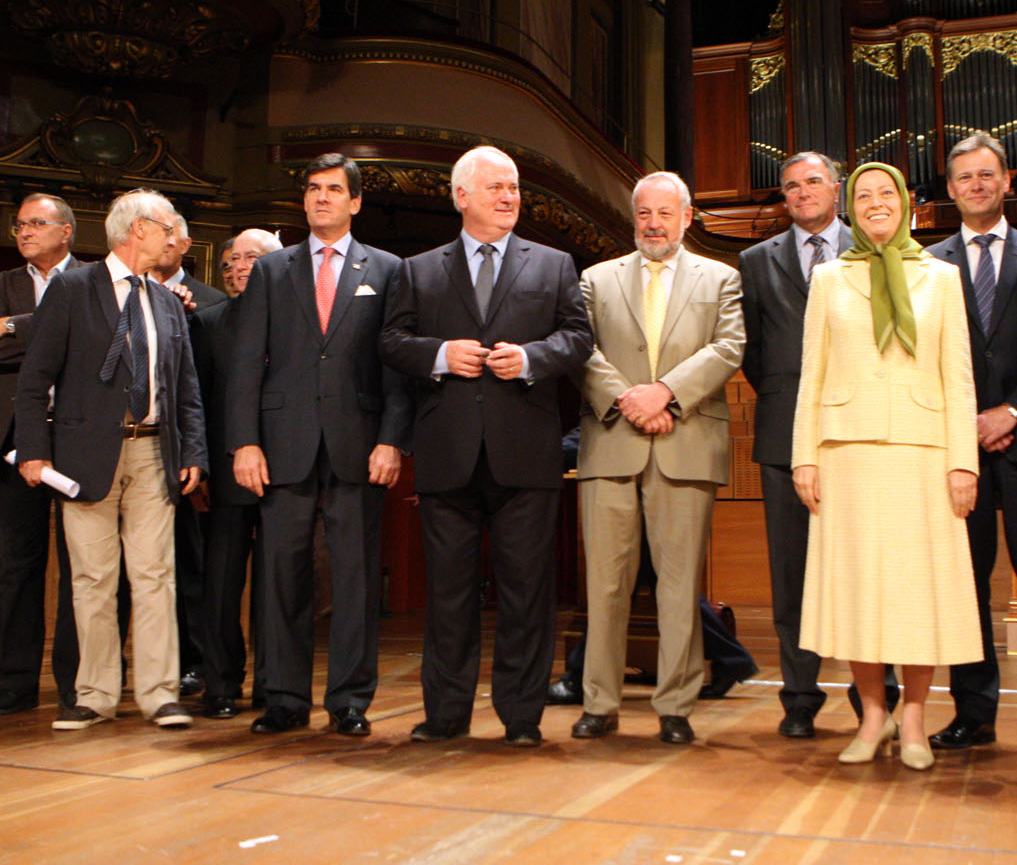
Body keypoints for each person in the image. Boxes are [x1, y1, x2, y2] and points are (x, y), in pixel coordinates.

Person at [380, 145, 593, 747]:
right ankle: (444, 714)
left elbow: (578, 337)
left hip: (526, 454)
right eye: (497, 187)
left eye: (516, 188)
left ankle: (521, 718)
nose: (510, 198)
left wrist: (530, 358)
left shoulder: (552, 264)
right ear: (461, 196)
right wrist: (441, 355)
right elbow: (392, 341)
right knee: (448, 597)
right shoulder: (418, 270)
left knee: (527, 595)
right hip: (448, 455)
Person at [792, 161, 981, 770]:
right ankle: (873, 715)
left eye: (886, 193)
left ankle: (917, 719)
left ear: (906, 203)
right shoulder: (827, 279)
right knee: (859, 592)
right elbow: (810, 375)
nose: (876, 203)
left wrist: (963, 462)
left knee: (915, 593)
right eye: (864, 195)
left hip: (923, 454)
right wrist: (804, 457)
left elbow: (959, 376)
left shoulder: (943, 277)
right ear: (851, 207)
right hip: (845, 452)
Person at [229, 155, 411, 738]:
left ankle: (350, 700)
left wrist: (391, 440)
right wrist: (244, 443)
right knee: (282, 575)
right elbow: (244, 367)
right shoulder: (272, 271)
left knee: (355, 578)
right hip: (281, 446)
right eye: (314, 189)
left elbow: (396, 369)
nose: (323, 198)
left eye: (335, 190)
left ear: (355, 202)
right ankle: (282, 697)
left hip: (359, 445)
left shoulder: (386, 270)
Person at [15, 188, 207, 730]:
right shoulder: (72, 289)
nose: (174, 239)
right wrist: (32, 451)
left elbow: (184, 388)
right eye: (166, 228)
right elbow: (34, 380)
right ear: (136, 229)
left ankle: (159, 693)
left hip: (152, 452)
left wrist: (193, 450)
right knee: (93, 579)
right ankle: (95, 694)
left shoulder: (169, 301)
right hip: (83, 456)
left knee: (155, 575)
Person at [571, 171, 744, 744]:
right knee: (606, 586)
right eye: (644, 213)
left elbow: (729, 346)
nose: (652, 224)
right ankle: (599, 702)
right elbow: (581, 347)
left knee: (676, 587)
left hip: (685, 444)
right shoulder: (596, 279)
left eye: (664, 214)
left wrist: (664, 392)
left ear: (687, 218)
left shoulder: (721, 278)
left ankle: (676, 706)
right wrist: (631, 399)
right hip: (613, 441)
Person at [924, 134, 1017, 758]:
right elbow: (925, 358)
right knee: (967, 586)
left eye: (987, 175)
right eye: (965, 177)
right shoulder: (927, 265)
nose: (977, 186)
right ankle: (973, 711)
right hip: (958, 450)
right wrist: (966, 422)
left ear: (1007, 181)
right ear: (951, 188)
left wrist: (1012, 410)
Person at [0, 193, 99, 714]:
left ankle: (76, 684)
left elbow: (92, 349)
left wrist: (16, 325)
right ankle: (15, 683)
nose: (23, 232)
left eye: (36, 223)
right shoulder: (0, 284)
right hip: (13, 443)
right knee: (16, 569)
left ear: (66, 231)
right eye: (19, 224)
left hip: (78, 441)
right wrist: (41, 329)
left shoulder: (94, 280)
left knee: (81, 568)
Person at [738, 151, 851, 738]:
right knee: (792, 575)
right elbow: (752, 352)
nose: (802, 192)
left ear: (837, 187)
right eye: (791, 187)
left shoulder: (871, 247)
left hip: (861, 435)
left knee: (863, 569)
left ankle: (869, 692)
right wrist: (791, 398)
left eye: (813, 181)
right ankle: (800, 696)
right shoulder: (755, 261)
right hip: (783, 434)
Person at [188, 228, 281, 719]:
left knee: (278, 586)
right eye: (229, 262)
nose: (237, 267)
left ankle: (274, 686)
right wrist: (199, 468)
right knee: (220, 584)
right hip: (224, 475)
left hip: (287, 471)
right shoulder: (207, 323)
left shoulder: (297, 320)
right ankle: (220, 684)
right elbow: (195, 401)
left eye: (250, 258)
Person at [149, 212, 223, 694]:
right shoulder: (119, 291)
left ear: (186, 243)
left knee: (191, 563)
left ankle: (193, 661)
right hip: (133, 447)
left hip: (192, 454)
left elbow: (209, 386)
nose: (165, 240)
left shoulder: (212, 304)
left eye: (172, 233)